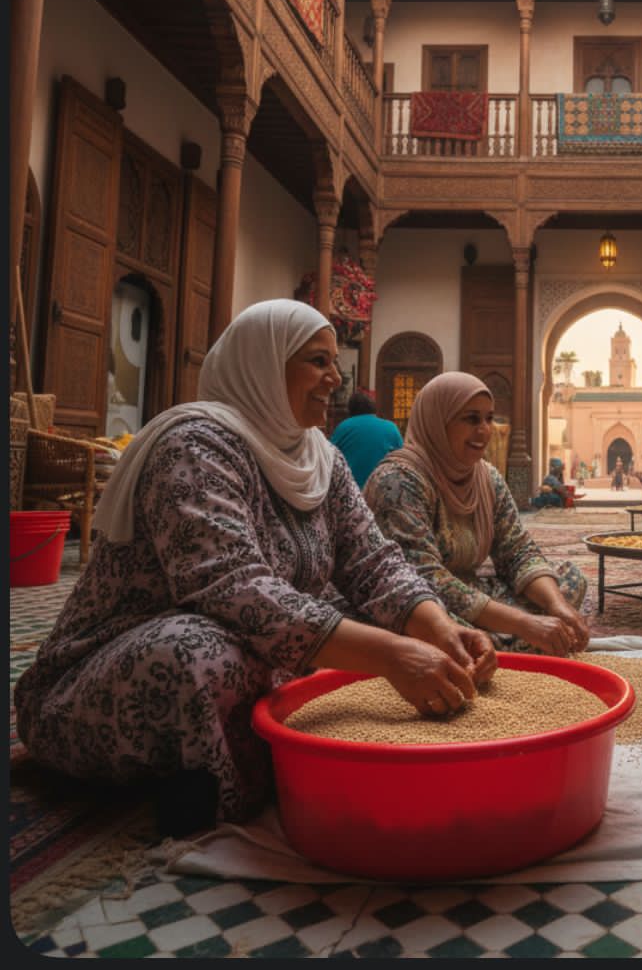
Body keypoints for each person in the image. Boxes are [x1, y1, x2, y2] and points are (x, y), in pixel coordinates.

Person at [14, 300, 496, 837]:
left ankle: (282, 746)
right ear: (263, 365)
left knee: (380, 616)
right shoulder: (194, 446)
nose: (334, 378)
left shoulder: (320, 458)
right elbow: (234, 588)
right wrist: (390, 655)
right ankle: (216, 782)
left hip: (263, 646)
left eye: (333, 362)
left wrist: (438, 628)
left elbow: (374, 561)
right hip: (111, 669)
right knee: (200, 650)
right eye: (317, 361)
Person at [365, 372, 590, 658]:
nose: (485, 430)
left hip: (471, 593)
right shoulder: (398, 480)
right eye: (471, 419)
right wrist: (525, 624)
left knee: (570, 582)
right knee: (443, 632)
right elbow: (422, 578)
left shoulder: (486, 478)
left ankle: (507, 646)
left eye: (488, 418)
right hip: (418, 603)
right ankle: (504, 646)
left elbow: (518, 550)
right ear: (438, 421)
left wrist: (557, 607)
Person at [330, 389, 403, 488]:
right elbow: (402, 460)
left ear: (350, 409)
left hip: (350, 489)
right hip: (381, 490)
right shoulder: (391, 428)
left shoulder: (343, 427)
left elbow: (328, 458)